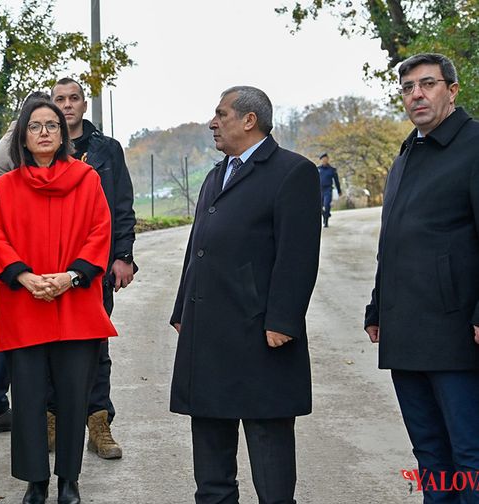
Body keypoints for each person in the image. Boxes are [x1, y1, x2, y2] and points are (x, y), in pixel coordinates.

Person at [170, 86, 321, 504]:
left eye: (221, 114)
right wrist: (184, 308)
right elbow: (198, 248)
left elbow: (299, 255)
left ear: (249, 120)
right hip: (209, 335)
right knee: (212, 464)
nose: (212, 122)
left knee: (269, 452)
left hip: (260, 334)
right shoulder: (217, 174)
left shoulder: (292, 172)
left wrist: (283, 320)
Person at [0, 99, 116, 504]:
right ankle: (35, 481)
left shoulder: (87, 179)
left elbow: (100, 231)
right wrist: (23, 276)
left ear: (63, 135)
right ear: (23, 136)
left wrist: (70, 277)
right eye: (35, 126)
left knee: (75, 395)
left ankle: (68, 480)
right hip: (25, 304)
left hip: (74, 303)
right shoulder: (6, 186)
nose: (44, 132)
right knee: (27, 398)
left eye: (52, 125)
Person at [365, 53, 479, 504]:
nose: (417, 94)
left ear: (452, 90)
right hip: (405, 328)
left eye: (427, 84)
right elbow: (394, 238)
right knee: (429, 452)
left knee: (470, 452)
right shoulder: (409, 151)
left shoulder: (473, 146)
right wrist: (377, 305)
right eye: (408, 87)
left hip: (456, 332)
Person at [49, 77, 136, 460]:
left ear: (85, 105)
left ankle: (98, 424)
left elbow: (122, 205)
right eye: (59, 100)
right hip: (49, 264)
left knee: (95, 346)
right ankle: (51, 420)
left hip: (97, 266)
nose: (67, 105)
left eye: (74, 99)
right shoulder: (41, 146)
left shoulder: (107, 150)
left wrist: (123, 255)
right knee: (49, 343)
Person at [0, 91, 51, 436]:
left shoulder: (11, 141)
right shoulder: (15, 148)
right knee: (7, 333)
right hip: (10, 255)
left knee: (5, 331)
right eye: (39, 121)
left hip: (8, 253)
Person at [318, 153, 341, 227]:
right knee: (319, 206)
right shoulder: (318, 169)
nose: (324, 160)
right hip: (319, 190)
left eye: (325, 159)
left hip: (328, 189)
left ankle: (326, 221)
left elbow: (336, 181)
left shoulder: (332, 170)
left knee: (327, 204)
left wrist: (339, 191)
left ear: (328, 160)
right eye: (322, 159)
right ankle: (325, 215)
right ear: (321, 160)